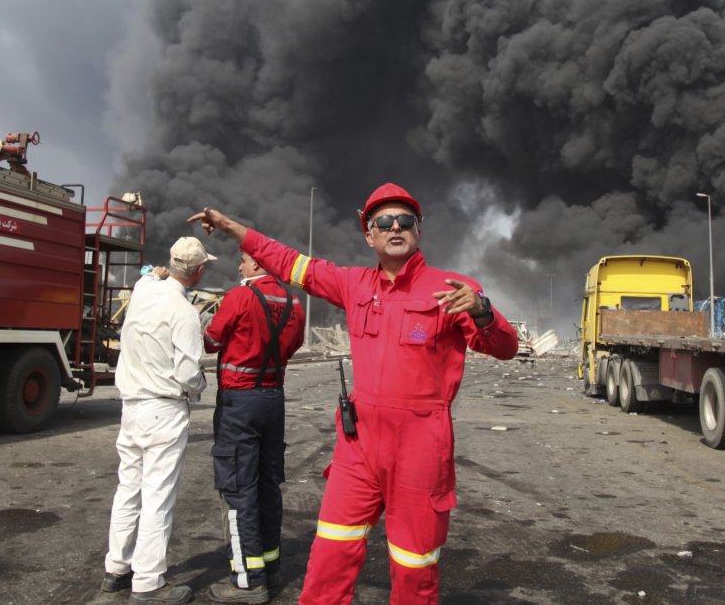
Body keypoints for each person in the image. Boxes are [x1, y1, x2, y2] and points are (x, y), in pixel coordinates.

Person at [188, 183, 519, 604]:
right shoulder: (353, 284)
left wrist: (483, 311)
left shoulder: (452, 289)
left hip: (420, 445)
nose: (395, 227)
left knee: (413, 565)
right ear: (370, 235)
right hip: (358, 445)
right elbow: (290, 262)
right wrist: (233, 228)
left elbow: (505, 349)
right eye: (383, 222)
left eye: (405, 221)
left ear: (419, 230)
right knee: (330, 552)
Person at [101, 237, 216, 604]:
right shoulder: (184, 313)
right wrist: (201, 384)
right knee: (158, 496)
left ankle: (117, 569)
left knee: (128, 489)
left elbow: (149, 275)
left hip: (130, 407)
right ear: (197, 272)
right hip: (163, 409)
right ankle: (149, 583)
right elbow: (187, 371)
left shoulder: (143, 289)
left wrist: (156, 274)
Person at [202, 252, 307, 604]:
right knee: (266, 484)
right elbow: (293, 345)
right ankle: (270, 566)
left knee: (237, 490)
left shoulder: (240, 296)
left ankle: (247, 580)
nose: (240, 267)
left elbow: (211, 340)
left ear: (259, 265)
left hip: (239, 403)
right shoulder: (294, 302)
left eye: (244, 262)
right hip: (273, 399)